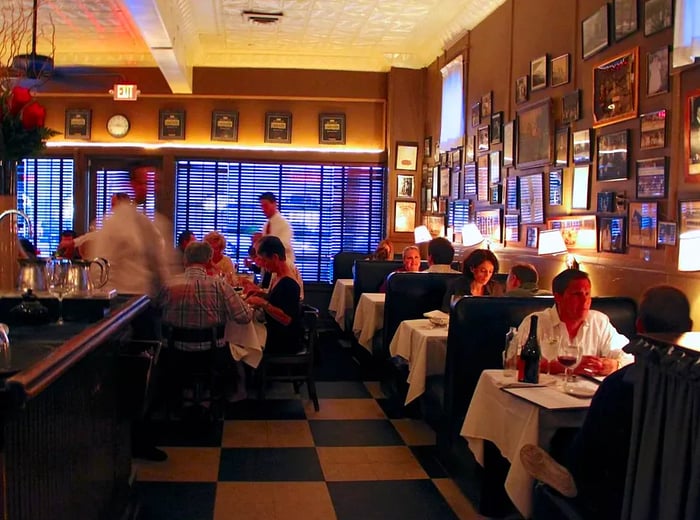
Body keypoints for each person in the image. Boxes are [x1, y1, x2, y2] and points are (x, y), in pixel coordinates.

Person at [520, 285, 693, 520]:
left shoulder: (623, 383)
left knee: (560, 438)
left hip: (610, 488)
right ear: (690, 326)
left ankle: (563, 480)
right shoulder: (690, 389)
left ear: (639, 326)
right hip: (678, 491)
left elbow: (592, 445)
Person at [513, 269, 629, 373]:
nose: (584, 301)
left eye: (587, 294)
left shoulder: (600, 322)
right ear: (558, 297)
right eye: (577, 295)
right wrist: (561, 367)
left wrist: (615, 365)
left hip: (586, 393)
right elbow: (516, 359)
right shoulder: (536, 322)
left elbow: (628, 355)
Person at [158, 241, 253, 349]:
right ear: (209, 261)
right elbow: (245, 317)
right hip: (212, 354)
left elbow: (156, 312)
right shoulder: (221, 286)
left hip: (172, 353)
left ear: (185, 260)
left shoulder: (168, 285)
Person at [246, 236, 302, 355]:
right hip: (275, 331)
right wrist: (262, 295)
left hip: (284, 340)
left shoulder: (289, 283)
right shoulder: (278, 277)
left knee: (245, 343)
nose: (263, 265)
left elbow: (286, 319)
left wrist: (263, 303)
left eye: (264, 260)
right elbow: (277, 300)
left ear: (275, 257)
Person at [258, 192, 295, 263]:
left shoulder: (284, 224)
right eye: (262, 206)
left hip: (282, 267)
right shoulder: (266, 225)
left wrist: (264, 241)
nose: (263, 209)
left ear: (275, 204)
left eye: (265, 206)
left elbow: (283, 245)